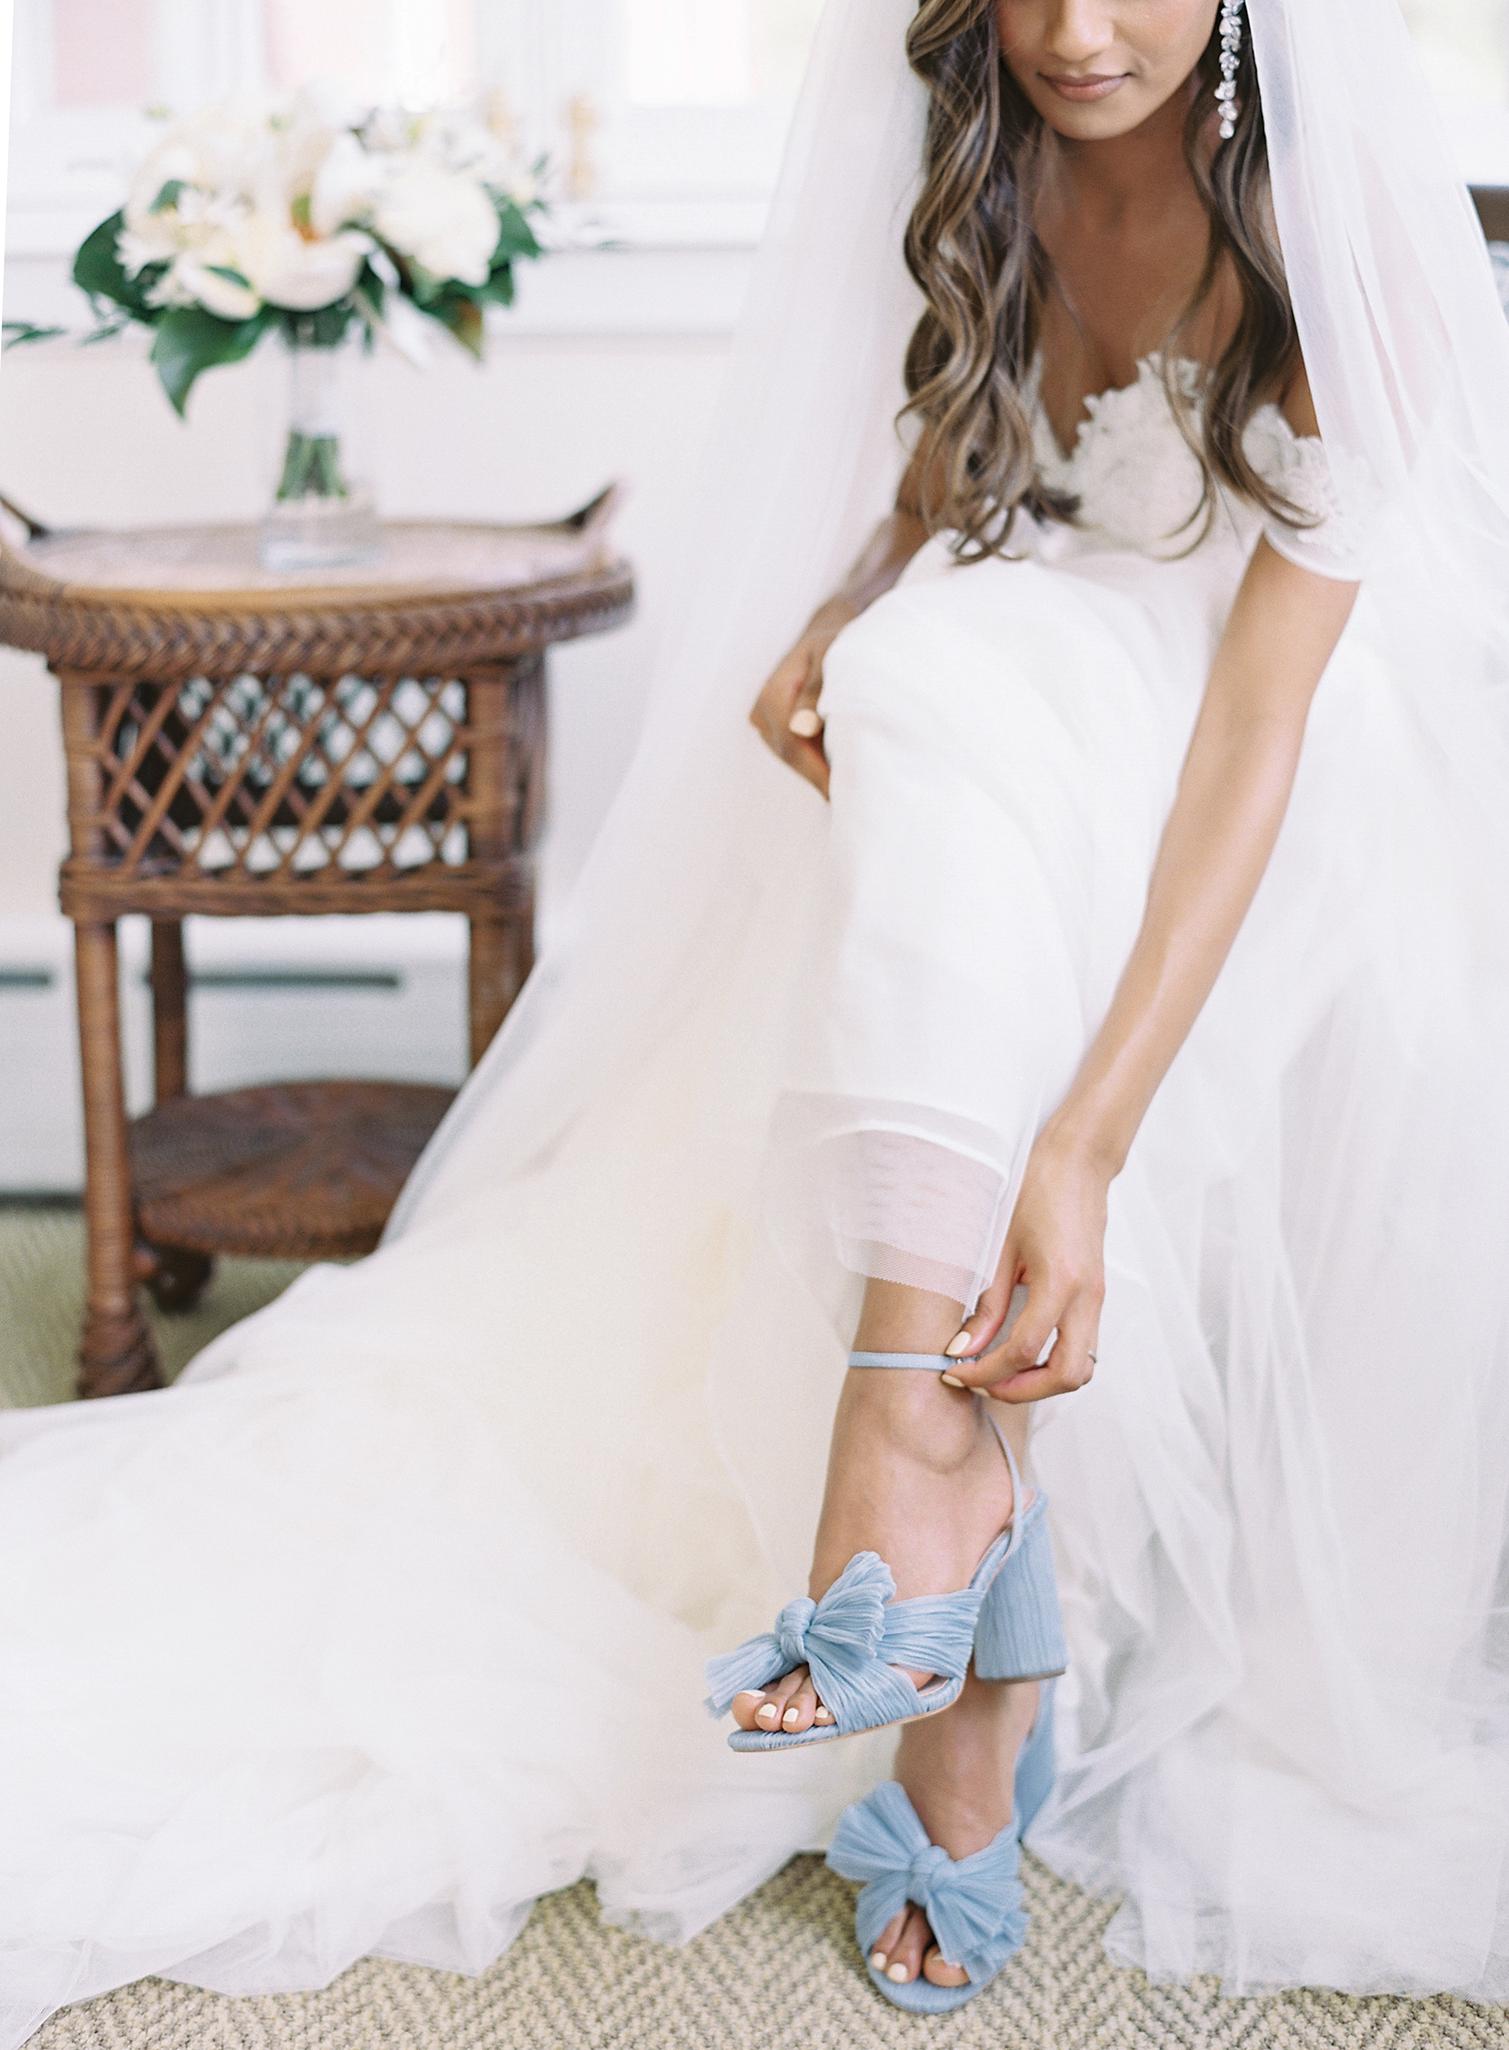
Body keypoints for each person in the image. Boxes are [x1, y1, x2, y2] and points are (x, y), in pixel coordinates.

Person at [4, 0, 1509, 2038]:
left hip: (1294, 766)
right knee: (923, 671)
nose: (1073, 34)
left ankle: (916, 1477)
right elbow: (968, 448)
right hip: (1033, 686)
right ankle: (949, 1513)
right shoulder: (990, 136)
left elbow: (1258, 729)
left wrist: (1082, 1145)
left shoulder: (1323, 241)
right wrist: (852, 592)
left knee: (957, 694)